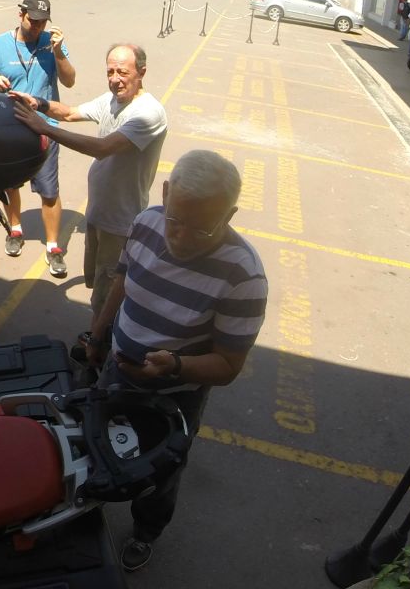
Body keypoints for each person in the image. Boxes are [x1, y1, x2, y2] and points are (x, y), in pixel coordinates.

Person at [82, 150, 268, 573]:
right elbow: (124, 279)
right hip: (116, 367)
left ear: (230, 214)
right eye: (176, 220)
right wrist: (98, 333)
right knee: (95, 441)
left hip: (174, 396)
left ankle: (146, 531)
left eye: (201, 228)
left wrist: (174, 366)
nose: (181, 237)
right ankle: (92, 501)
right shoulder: (146, 222)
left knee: (159, 472)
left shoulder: (244, 277)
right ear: (165, 193)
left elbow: (227, 366)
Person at [10, 43, 167, 319]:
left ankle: (100, 340)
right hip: (97, 213)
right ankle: (98, 329)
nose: (115, 79)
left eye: (122, 72)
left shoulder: (148, 113)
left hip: (119, 221)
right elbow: (69, 113)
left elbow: (102, 148)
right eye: (110, 72)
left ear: (141, 72)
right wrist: (39, 103)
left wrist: (44, 128)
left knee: (110, 292)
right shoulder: (111, 100)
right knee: (98, 281)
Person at [0, 0, 77, 277]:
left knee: (49, 191)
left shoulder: (51, 44)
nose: (38, 27)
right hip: (11, 129)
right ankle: (16, 230)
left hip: (45, 127)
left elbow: (69, 81)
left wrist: (59, 53)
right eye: (33, 21)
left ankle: (53, 247)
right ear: (20, 15)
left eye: (43, 22)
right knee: (11, 185)